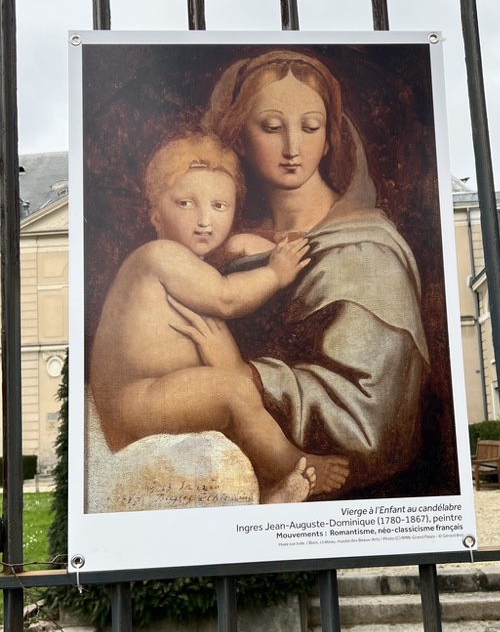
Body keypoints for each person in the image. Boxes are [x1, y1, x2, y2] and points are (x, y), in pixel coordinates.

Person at [170, 50, 430, 496]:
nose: (293, 148)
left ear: (329, 139)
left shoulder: (366, 250)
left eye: (311, 128)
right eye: (271, 127)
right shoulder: (225, 239)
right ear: (238, 137)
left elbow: (374, 417)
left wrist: (245, 376)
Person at [89, 131, 349, 503]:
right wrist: (275, 274)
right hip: (136, 401)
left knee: (235, 388)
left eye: (219, 207)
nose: (204, 221)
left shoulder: (186, 264)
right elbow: (226, 298)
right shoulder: (159, 254)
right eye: (185, 204)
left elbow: (225, 262)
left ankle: (274, 491)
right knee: (234, 391)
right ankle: (294, 464)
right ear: (156, 217)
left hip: (154, 397)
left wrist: (242, 244)